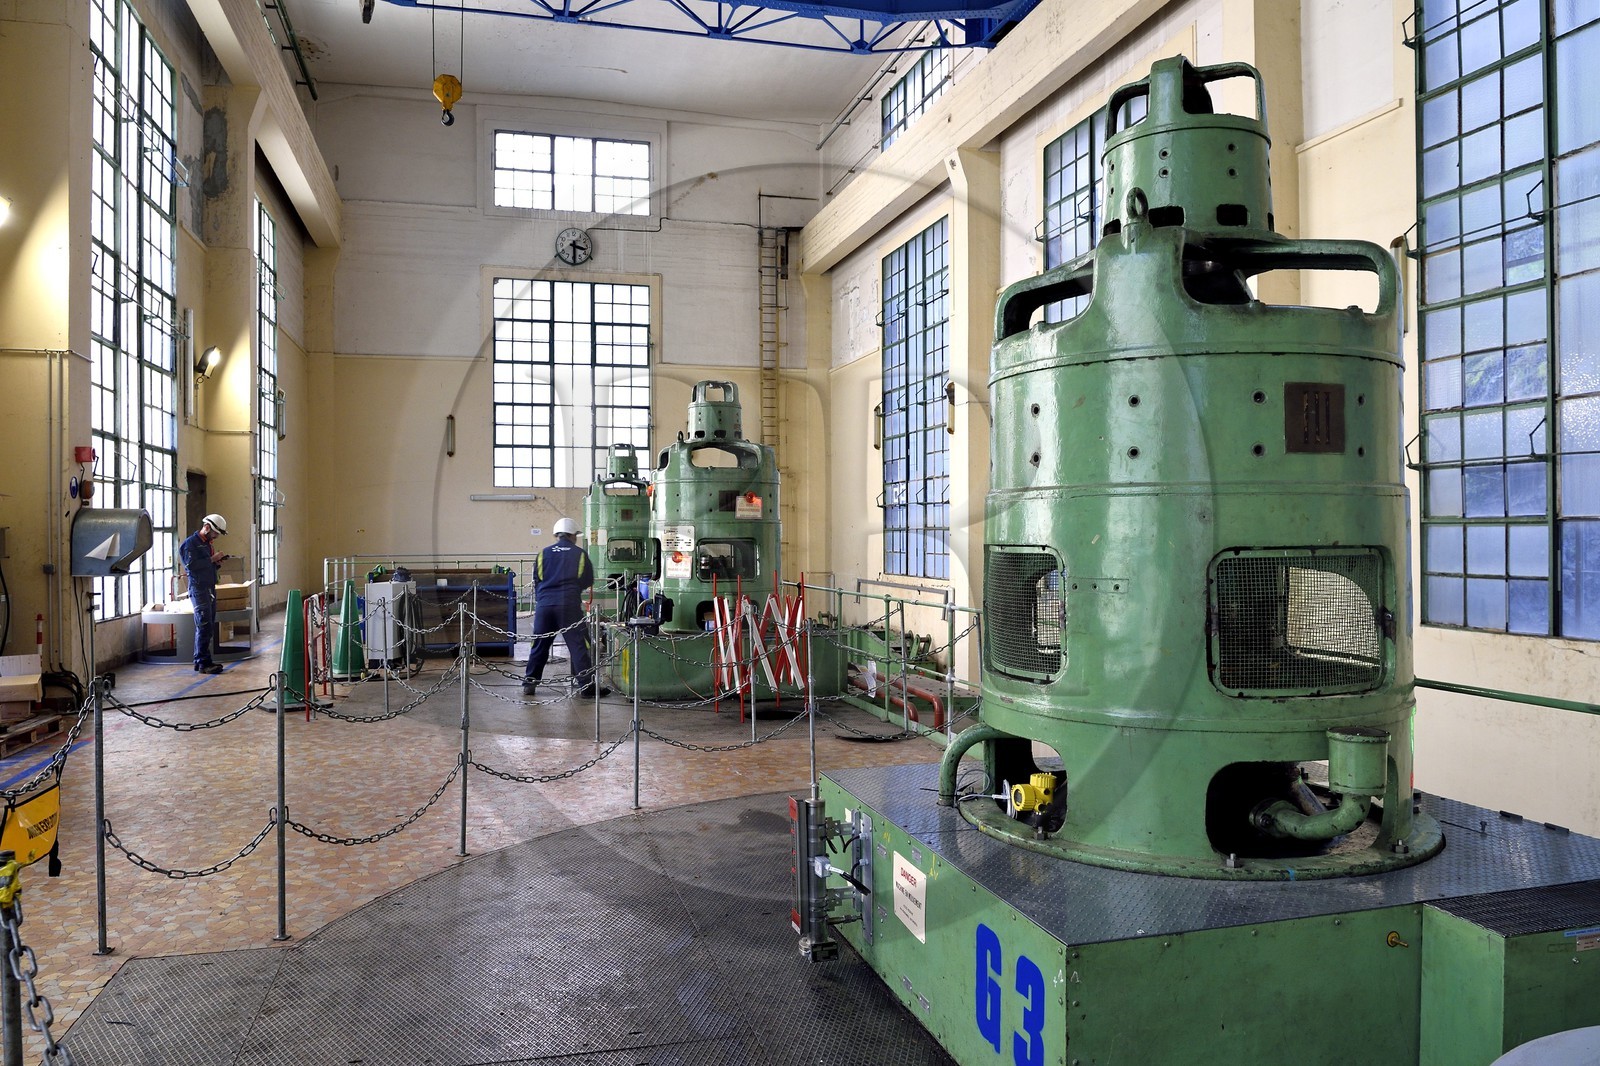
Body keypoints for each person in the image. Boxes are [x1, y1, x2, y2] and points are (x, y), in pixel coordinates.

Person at [523, 517, 609, 698]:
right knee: (578, 645)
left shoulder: (543, 554)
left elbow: (537, 580)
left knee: (539, 644)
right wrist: (572, 590)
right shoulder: (580, 554)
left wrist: (546, 598)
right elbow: (587, 580)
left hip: (545, 606)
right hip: (569, 605)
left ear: (557, 535)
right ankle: (586, 687)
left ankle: (530, 683)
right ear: (572, 535)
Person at [179, 513, 230, 674]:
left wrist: (216, 564)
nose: (216, 537)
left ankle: (202, 660)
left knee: (208, 625)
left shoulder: (207, 544)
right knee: (203, 624)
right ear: (207, 528)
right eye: (215, 533)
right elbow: (191, 566)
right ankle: (203, 662)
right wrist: (212, 559)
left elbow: (205, 566)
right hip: (199, 589)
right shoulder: (190, 544)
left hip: (208, 588)